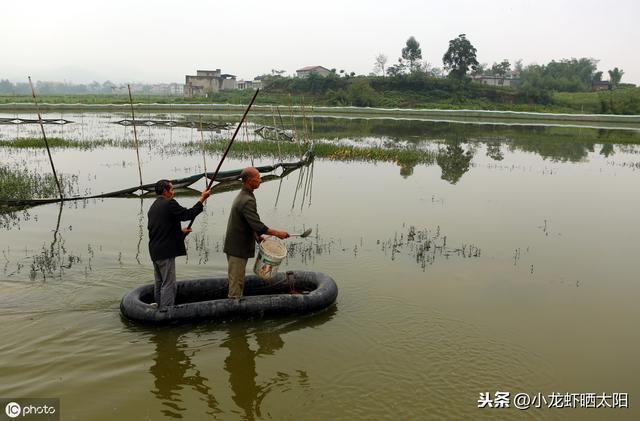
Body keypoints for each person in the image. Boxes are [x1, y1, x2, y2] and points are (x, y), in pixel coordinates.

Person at [224, 167, 289, 298]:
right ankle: (234, 309)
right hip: (237, 249)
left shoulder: (246, 195)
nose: (260, 180)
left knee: (239, 279)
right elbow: (258, 226)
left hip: (237, 247)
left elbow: (248, 223)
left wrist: (257, 237)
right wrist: (278, 233)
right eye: (258, 178)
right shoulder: (247, 200)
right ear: (249, 181)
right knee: (236, 283)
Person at [148, 179, 210, 309]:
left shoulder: (153, 207)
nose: (173, 192)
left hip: (155, 251)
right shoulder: (169, 203)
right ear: (165, 191)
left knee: (159, 282)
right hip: (166, 252)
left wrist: (181, 233)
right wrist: (202, 199)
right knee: (168, 283)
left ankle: (159, 308)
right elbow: (188, 214)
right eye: (171, 189)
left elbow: (160, 229)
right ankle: (166, 311)